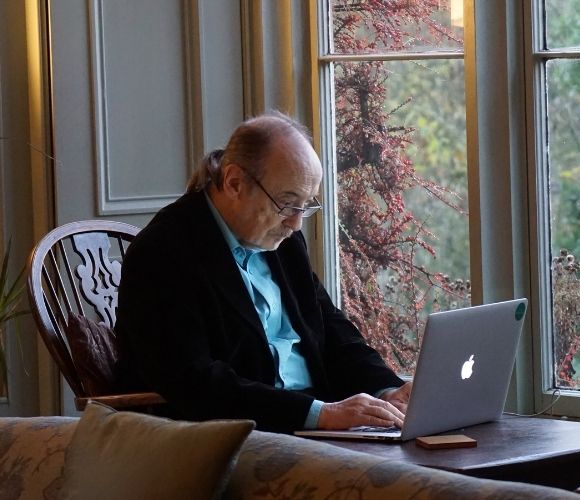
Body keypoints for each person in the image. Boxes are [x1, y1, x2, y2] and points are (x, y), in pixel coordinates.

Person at [116, 112, 411, 434]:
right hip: (237, 437)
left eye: (305, 205)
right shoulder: (163, 253)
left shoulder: (283, 240)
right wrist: (320, 414)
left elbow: (330, 329)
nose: (296, 223)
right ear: (234, 183)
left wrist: (388, 389)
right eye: (287, 203)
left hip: (316, 425)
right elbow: (194, 381)